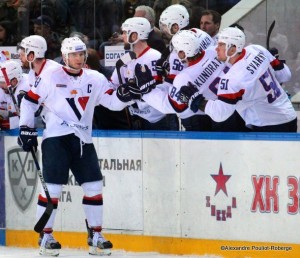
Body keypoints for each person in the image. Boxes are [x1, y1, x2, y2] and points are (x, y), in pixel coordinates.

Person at [17, 36, 137, 256]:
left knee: (93, 187)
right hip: (56, 139)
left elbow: (111, 102)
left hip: (83, 140)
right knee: (52, 189)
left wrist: (127, 96)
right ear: (65, 56)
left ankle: (96, 235)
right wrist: (26, 127)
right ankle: (46, 236)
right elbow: (30, 100)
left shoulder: (95, 77)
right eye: (74, 54)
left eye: (81, 54)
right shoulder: (51, 75)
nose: (79, 58)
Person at [179, 27, 297, 132]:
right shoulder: (257, 49)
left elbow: (220, 114)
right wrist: (275, 62)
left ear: (232, 49)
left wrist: (196, 101)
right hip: (289, 116)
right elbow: (285, 75)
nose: (216, 49)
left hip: (268, 126)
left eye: (221, 45)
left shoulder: (232, 79)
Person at [139, 29, 225, 131]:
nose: (175, 54)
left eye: (176, 51)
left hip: (197, 119)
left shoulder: (184, 78)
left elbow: (171, 106)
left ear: (183, 53)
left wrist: (145, 91)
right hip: (224, 109)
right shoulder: (215, 52)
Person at [110, 17, 179, 130]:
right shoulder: (125, 59)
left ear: (134, 36)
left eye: (125, 33)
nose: (122, 37)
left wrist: (142, 91)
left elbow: (165, 88)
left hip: (160, 120)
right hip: (137, 120)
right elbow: (113, 84)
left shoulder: (154, 57)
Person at [156, 4, 190, 84]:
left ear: (175, 27)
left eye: (165, 26)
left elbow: (175, 82)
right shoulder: (176, 42)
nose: (163, 30)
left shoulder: (183, 47)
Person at [0, 59, 29, 129]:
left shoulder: (27, 87)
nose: (0, 86)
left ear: (14, 81)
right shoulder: (3, 88)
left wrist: (6, 124)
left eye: (3, 82)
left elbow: (28, 120)